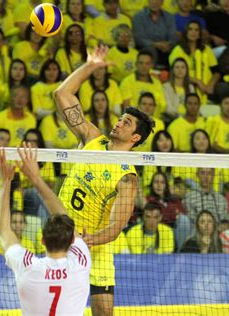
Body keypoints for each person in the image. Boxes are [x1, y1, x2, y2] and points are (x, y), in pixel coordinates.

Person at [54, 45, 153, 316]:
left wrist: (85, 241)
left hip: (94, 246)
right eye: (121, 118)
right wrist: (90, 66)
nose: (119, 123)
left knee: (104, 312)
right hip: (61, 237)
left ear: (135, 138)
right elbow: (62, 94)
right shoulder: (92, 138)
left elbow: (115, 228)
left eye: (127, 123)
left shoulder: (127, 178)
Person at [0, 145, 91, 315]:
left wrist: (5, 183)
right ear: (71, 241)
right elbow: (62, 212)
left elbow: (3, 231)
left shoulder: (28, 266)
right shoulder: (80, 261)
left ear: (42, 240)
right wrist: (36, 178)